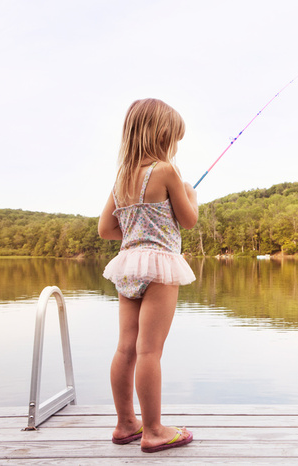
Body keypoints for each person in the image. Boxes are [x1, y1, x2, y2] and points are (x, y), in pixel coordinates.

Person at [98, 98, 198, 453]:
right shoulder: (167, 171)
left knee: (127, 347)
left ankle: (126, 423)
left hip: (128, 264)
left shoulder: (121, 178)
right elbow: (188, 220)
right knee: (150, 351)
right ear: (162, 136)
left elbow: (106, 229)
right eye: (174, 138)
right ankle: (154, 430)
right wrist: (189, 194)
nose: (174, 146)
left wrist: (137, 229)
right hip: (159, 266)